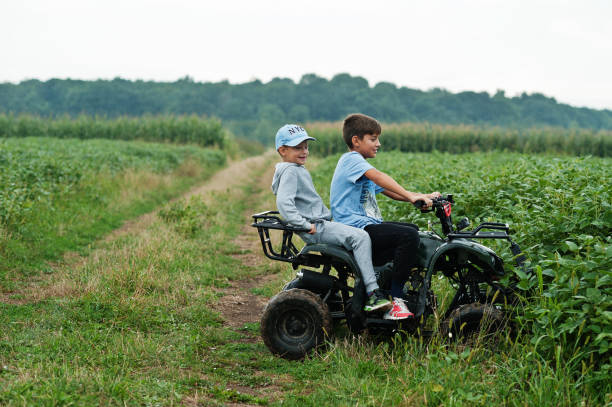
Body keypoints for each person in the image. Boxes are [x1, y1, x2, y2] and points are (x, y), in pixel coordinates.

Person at [330, 113, 440, 320]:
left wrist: (419, 197)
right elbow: (380, 177)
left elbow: (389, 191)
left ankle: (388, 284)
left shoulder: (358, 164)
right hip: (355, 228)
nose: (378, 143)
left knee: (412, 230)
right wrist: (411, 196)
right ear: (356, 141)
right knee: (408, 236)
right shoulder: (352, 160)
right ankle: (397, 300)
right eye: (373, 139)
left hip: (364, 225)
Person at [271, 124, 391, 312]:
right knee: (360, 237)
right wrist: (304, 224)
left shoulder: (292, 169)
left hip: (320, 224)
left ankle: (364, 283)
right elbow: (284, 204)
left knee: (357, 235)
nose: (304, 152)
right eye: (297, 148)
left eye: (306, 147)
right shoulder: (291, 171)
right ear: (282, 150)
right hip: (316, 227)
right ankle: (373, 293)